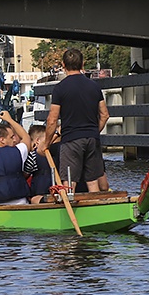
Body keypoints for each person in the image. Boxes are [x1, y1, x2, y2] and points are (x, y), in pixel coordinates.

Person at [37, 47, 110, 193]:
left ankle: (68, 209)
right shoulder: (94, 86)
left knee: (69, 181)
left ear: (63, 65)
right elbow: (104, 115)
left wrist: (47, 142)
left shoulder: (60, 88)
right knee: (92, 181)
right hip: (92, 138)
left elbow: (52, 119)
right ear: (82, 64)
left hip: (71, 139)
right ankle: (95, 211)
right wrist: (94, 131)